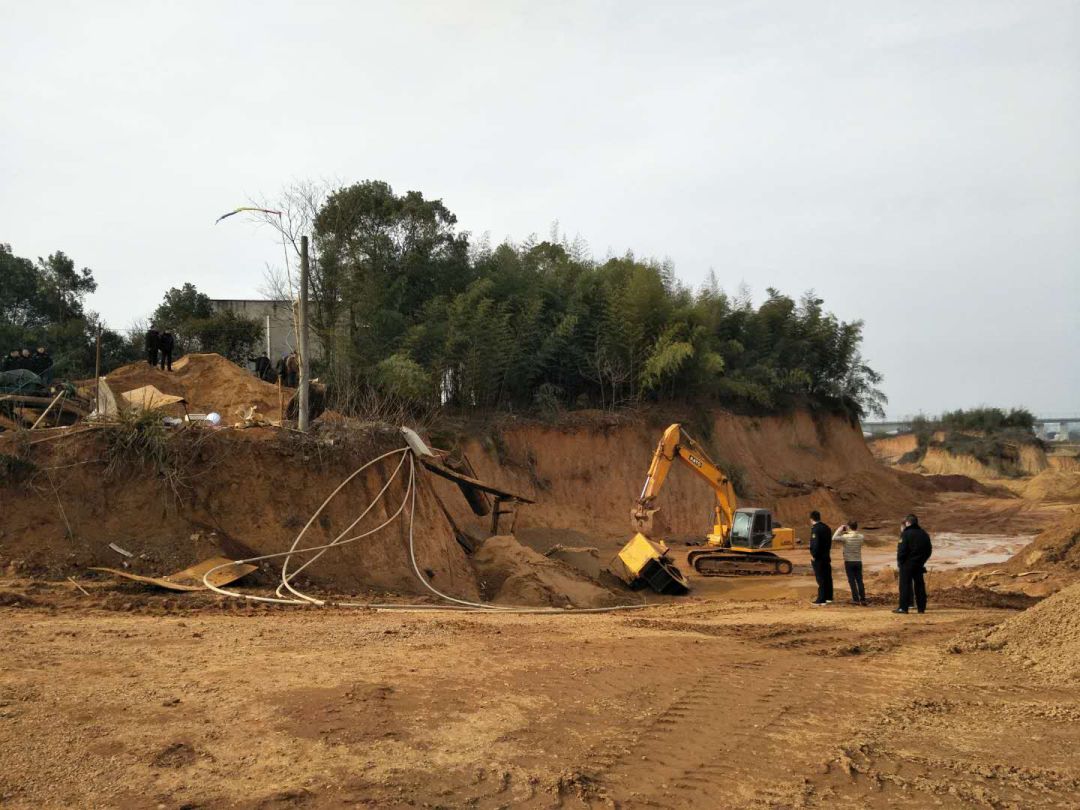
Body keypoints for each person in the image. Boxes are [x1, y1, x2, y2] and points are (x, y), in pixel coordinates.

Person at [895, 513, 933, 614]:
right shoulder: (924, 533)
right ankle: (921, 608)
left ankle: (903, 607)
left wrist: (900, 562)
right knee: (919, 585)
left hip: (907, 564)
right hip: (919, 563)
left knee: (905, 585)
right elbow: (929, 550)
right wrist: (922, 560)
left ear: (908, 523)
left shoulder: (906, 534)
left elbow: (901, 550)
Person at [834, 520, 867, 605]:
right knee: (859, 580)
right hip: (858, 561)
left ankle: (855, 599)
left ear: (849, 527)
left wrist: (839, 529)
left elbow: (834, 538)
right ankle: (863, 599)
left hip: (849, 561)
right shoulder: (861, 536)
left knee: (852, 581)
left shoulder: (845, 537)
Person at [809, 510, 834, 606]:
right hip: (826, 556)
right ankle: (829, 597)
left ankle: (821, 599)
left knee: (821, 578)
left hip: (819, 558)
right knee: (828, 577)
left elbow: (815, 544)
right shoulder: (826, 528)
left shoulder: (816, 529)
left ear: (811, 519)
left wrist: (814, 555)